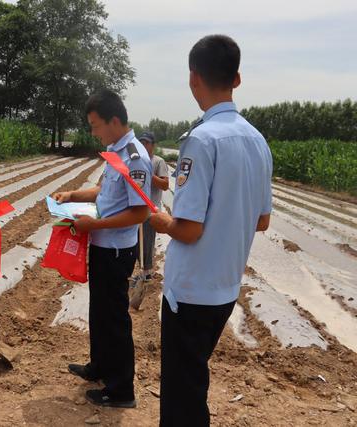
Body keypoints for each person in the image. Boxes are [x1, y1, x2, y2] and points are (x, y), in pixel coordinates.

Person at [149, 35, 273, 426]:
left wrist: (159, 220)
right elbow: (262, 220)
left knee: (181, 397)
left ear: (193, 79)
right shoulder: (257, 141)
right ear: (236, 79)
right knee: (193, 383)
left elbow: (187, 229)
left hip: (191, 292)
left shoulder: (201, 140)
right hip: (225, 288)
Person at [52, 89, 152, 408]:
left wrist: (92, 225)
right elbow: (104, 191)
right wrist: (73, 195)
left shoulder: (136, 157)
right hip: (102, 245)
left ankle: (121, 390)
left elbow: (140, 212)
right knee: (99, 310)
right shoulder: (116, 151)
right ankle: (99, 367)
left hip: (116, 251)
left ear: (114, 121)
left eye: (95, 126)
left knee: (114, 319)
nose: (93, 132)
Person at [129, 131, 169, 310]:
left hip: (151, 211)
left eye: (147, 143)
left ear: (153, 145)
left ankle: (147, 273)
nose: (144, 146)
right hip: (135, 209)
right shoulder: (135, 161)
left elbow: (165, 184)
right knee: (135, 243)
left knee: (147, 241)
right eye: (141, 142)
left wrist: (148, 175)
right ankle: (140, 271)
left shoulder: (157, 162)